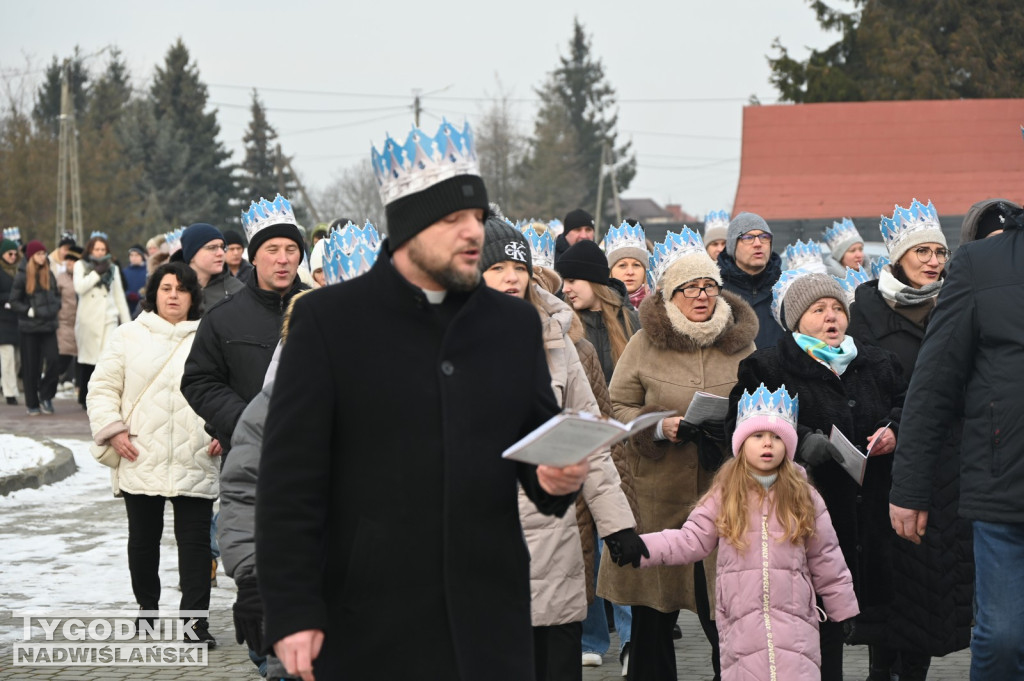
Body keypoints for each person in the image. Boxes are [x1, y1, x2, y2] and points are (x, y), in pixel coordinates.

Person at [255, 121, 589, 681]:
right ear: (408, 226)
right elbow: (289, 481)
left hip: (489, 621)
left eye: (478, 218)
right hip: (369, 620)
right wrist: (292, 610)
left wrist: (554, 480)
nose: (473, 234)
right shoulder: (328, 322)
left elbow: (535, 441)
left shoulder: (511, 326)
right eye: (452, 219)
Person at [481, 213, 638, 681]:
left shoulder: (556, 339)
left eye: (518, 268)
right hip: (487, 537)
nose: (511, 278)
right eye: (496, 269)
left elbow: (589, 439)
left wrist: (617, 524)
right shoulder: (449, 342)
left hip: (554, 535)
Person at [616, 384, 859, 681]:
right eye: (757, 436)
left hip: (795, 627)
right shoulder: (725, 493)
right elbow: (691, 539)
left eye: (776, 437)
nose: (767, 444)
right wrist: (643, 546)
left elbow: (827, 557)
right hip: (742, 626)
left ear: (789, 445)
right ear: (742, 444)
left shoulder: (804, 496)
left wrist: (843, 609)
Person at [729, 270, 905, 681]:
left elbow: (908, 402)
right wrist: (801, 440)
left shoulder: (877, 362)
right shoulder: (767, 367)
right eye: (818, 309)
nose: (831, 317)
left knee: (886, 625)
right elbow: (740, 424)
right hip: (805, 518)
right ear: (794, 319)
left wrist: (894, 427)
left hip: (876, 516)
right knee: (819, 629)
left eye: (837, 309)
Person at [602, 228, 758, 681]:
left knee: (724, 612)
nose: (701, 295)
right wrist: (660, 424)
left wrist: (733, 426)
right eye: (690, 288)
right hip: (658, 494)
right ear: (672, 294)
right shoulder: (645, 343)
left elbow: (761, 404)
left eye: (709, 286)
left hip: (723, 491)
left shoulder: (739, 342)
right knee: (655, 615)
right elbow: (617, 407)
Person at [889, 203, 1024, 680]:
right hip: (1004, 487)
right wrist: (909, 488)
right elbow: (933, 384)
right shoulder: (980, 265)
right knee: (1004, 637)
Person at [846, 199, 971, 678]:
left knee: (928, 596)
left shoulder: (956, 305)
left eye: (938, 253)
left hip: (945, 469)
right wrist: (891, 424)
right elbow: (855, 387)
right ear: (898, 257)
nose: (933, 262)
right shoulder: (865, 313)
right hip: (884, 470)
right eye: (921, 252)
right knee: (890, 596)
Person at [86, 262, 219, 645]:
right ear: (153, 293)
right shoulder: (129, 335)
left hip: (196, 452)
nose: (173, 295)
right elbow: (102, 389)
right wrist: (113, 432)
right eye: (165, 288)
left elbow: (231, 387)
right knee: (143, 540)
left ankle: (196, 625)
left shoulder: (209, 336)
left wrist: (224, 429)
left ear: (193, 295)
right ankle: (147, 610)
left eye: (181, 288)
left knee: (195, 545)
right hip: (139, 451)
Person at [180, 198, 309, 460]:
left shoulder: (321, 310)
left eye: (291, 249)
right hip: (246, 455)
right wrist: (245, 420)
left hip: (311, 454)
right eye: (272, 249)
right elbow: (199, 381)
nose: (282, 259)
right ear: (255, 256)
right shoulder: (223, 316)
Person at [556, 239, 640, 384]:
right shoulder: (563, 325)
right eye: (563, 282)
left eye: (571, 280)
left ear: (593, 280)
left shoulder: (632, 320)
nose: (564, 289)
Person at [74, 233, 131, 410]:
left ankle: (103, 397)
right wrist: (96, 274)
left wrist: (128, 323)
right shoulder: (80, 265)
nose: (99, 252)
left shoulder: (112, 268)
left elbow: (119, 295)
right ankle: (85, 396)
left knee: (106, 359)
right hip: (88, 320)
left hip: (108, 318)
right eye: (96, 249)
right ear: (90, 249)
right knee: (88, 360)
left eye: (103, 249)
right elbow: (79, 287)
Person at [716, 212, 785, 349]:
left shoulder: (785, 286)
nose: (758, 244)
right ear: (732, 246)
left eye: (764, 237)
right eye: (748, 237)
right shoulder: (715, 289)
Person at [8, 240, 61, 415]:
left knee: (54, 361)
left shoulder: (49, 273)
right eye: (39, 254)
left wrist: (55, 307)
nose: (42, 257)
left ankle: (46, 395)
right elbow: (14, 300)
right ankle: (32, 403)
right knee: (31, 366)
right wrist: (28, 310)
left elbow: (56, 295)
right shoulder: (22, 275)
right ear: (31, 256)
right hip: (29, 328)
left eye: (43, 253)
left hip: (48, 326)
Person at [173, 223, 245, 310]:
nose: (221, 253)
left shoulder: (237, 290)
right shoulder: (170, 287)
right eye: (212, 247)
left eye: (222, 247)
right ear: (191, 255)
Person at [605, 220, 650, 310]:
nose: (630, 272)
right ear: (611, 271)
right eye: (622, 265)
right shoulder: (600, 307)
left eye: (636, 265)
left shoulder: (659, 309)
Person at [55, 246, 81, 387]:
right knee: (63, 355)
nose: (70, 263)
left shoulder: (84, 277)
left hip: (81, 322)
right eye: (68, 260)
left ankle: (78, 385)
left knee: (80, 358)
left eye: (73, 260)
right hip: (64, 322)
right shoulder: (60, 278)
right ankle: (54, 381)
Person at [0, 239, 21, 405]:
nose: (13, 256)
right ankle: (10, 393)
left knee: (17, 359)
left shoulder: (19, 270)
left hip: (17, 320)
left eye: (15, 253)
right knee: (7, 357)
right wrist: (8, 299)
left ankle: (6, 385)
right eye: (10, 253)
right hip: (2, 320)